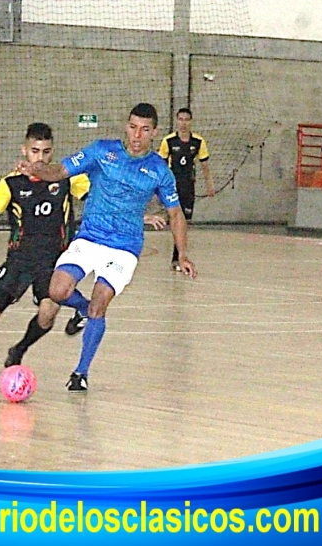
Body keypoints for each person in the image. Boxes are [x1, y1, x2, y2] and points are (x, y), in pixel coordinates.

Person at [16, 103, 197, 392]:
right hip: (89, 238)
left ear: (155, 132)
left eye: (145, 130)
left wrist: (183, 254)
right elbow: (60, 170)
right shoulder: (102, 151)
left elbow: (175, 213)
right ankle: (82, 309)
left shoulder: (160, 171)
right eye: (133, 127)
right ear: (126, 125)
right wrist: (37, 168)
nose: (137, 135)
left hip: (124, 248)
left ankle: (80, 373)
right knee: (57, 291)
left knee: (100, 303)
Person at [0, 122, 90, 373]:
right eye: (35, 151)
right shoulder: (11, 183)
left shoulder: (66, 178)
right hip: (19, 259)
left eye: (46, 152)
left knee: (48, 312)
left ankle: (19, 349)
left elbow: (100, 197)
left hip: (53, 263)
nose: (40, 158)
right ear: (24, 150)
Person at [158, 107, 214, 271]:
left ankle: (178, 257)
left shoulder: (198, 142)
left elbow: (205, 166)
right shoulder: (168, 141)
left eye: (186, 120)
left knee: (185, 221)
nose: (183, 123)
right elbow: (160, 166)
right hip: (172, 187)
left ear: (191, 122)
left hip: (188, 187)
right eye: (180, 119)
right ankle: (177, 258)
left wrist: (210, 184)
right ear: (177, 121)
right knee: (176, 219)